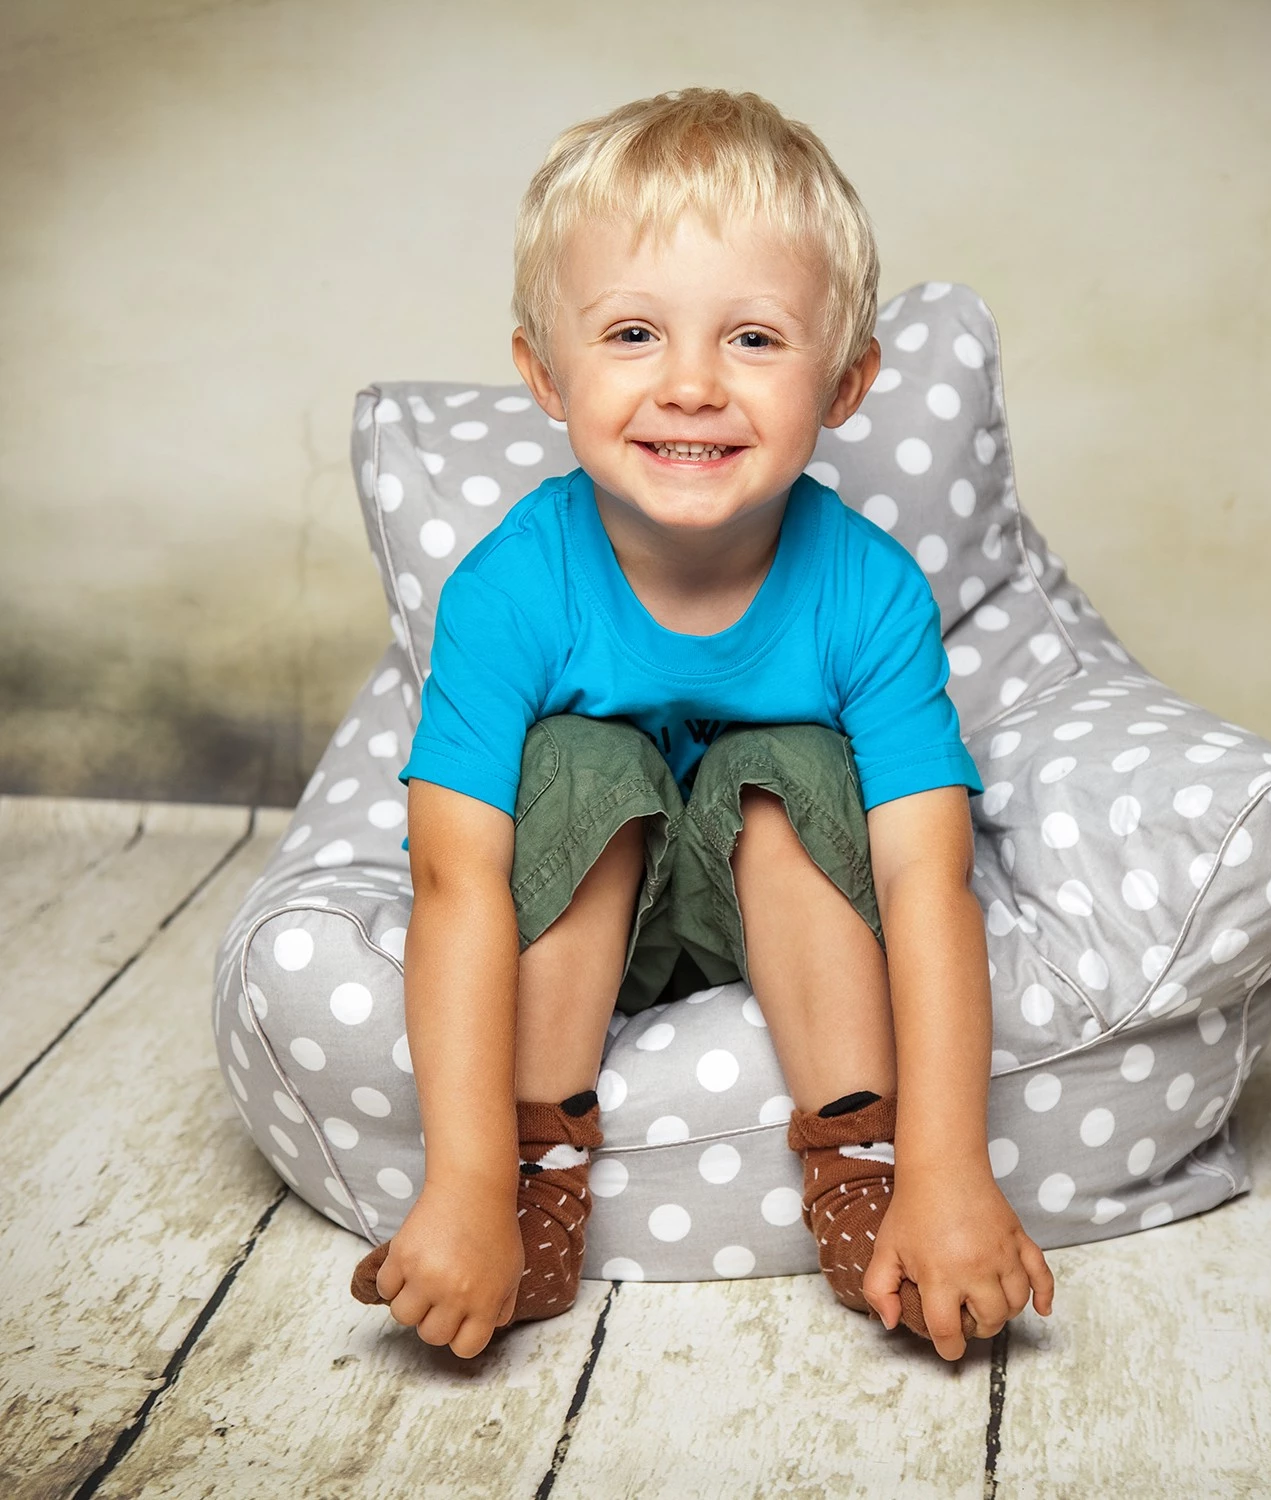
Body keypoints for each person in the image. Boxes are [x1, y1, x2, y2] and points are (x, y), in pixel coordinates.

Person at [349, 87, 1054, 1363]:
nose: (689, 386)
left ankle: (862, 1151)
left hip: (786, 925)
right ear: (544, 374)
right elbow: (456, 882)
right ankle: (531, 1164)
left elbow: (927, 879)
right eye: (633, 332)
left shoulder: (869, 590)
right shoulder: (509, 589)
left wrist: (952, 1170)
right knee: (579, 759)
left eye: (754, 339)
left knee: (789, 763)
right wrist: (460, 1184)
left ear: (845, 384)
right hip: (580, 927)